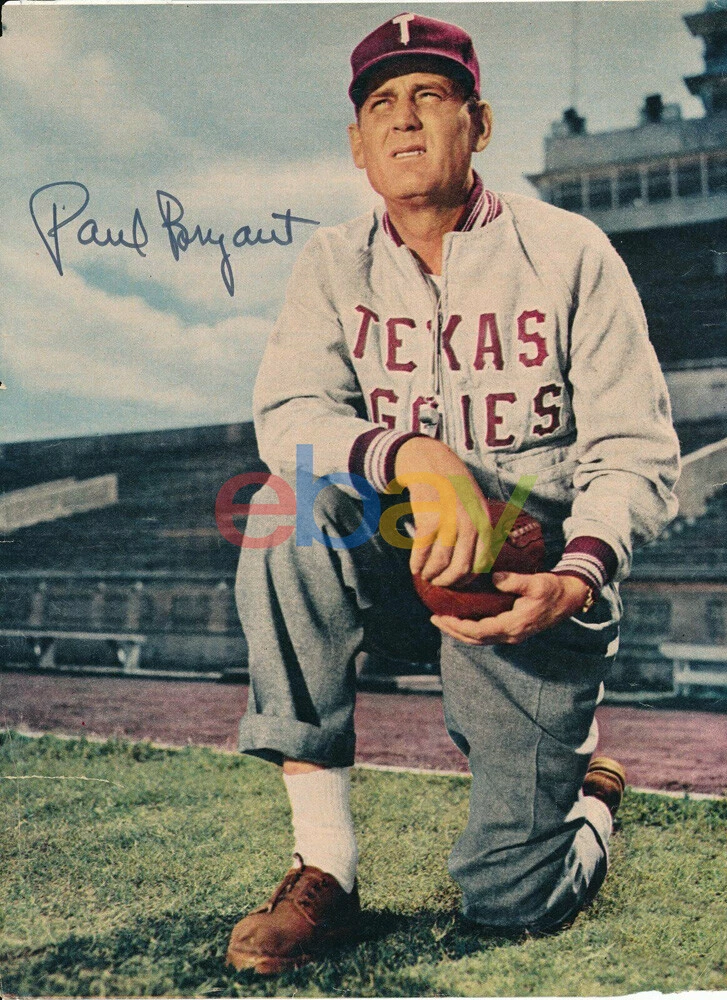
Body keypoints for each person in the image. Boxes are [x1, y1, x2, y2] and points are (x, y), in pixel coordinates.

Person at [226, 11, 680, 975]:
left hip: (524, 580)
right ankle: (325, 867)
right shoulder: (333, 260)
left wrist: (578, 574)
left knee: (512, 901)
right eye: (380, 104)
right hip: (395, 556)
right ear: (357, 145)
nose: (403, 119)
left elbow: (635, 449)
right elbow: (289, 413)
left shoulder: (569, 250)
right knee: (285, 507)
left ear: (479, 123)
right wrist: (413, 455)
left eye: (430, 95)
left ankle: (590, 798)